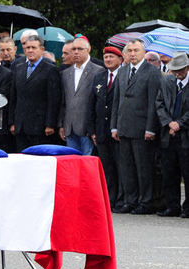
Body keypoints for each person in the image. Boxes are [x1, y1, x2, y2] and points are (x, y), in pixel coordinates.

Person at [111, 38, 162, 214]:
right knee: (127, 167)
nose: (133, 54)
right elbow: (117, 101)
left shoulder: (152, 72)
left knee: (143, 168)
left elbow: (153, 103)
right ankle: (130, 200)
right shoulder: (122, 71)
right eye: (130, 50)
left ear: (143, 52)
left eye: (136, 50)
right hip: (124, 126)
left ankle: (145, 202)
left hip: (142, 128)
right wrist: (114, 126)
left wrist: (150, 128)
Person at [9, 35, 61, 152]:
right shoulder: (18, 68)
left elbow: (53, 99)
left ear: (42, 49)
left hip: (40, 126)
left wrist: (50, 124)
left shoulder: (50, 69)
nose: (30, 50)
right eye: (27, 48)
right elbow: (14, 96)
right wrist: (12, 122)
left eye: (33, 47)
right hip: (20, 125)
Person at [87, 46, 124, 210]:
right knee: (107, 168)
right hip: (101, 130)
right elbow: (91, 105)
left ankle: (121, 199)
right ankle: (109, 199)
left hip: (117, 130)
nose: (108, 59)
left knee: (120, 167)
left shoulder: (123, 76)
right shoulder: (99, 77)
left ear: (120, 60)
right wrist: (92, 131)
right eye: (106, 57)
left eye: (111, 57)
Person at [155, 51, 189, 218]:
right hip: (168, 135)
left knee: (187, 172)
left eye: (180, 71)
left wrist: (179, 124)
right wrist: (169, 122)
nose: (177, 74)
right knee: (169, 172)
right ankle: (172, 206)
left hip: (185, 136)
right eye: (175, 71)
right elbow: (159, 103)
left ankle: (188, 207)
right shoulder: (167, 81)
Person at [58, 37, 104, 155]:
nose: (76, 52)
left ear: (88, 50)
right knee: (72, 164)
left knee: (87, 164)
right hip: (69, 127)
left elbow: (99, 102)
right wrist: (61, 124)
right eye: (74, 49)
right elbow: (64, 101)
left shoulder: (98, 71)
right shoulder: (66, 73)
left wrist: (94, 128)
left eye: (80, 49)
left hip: (87, 127)